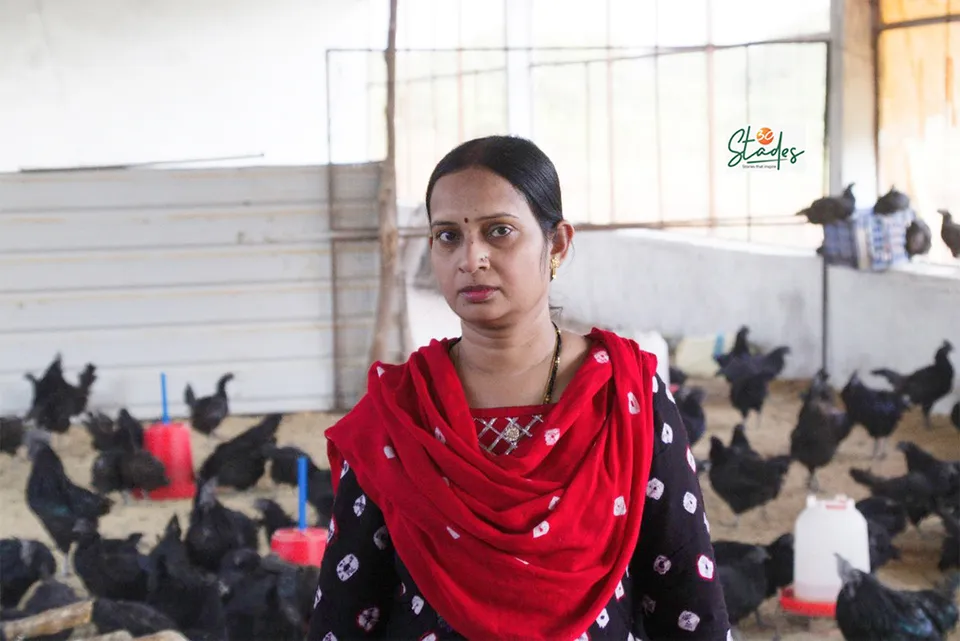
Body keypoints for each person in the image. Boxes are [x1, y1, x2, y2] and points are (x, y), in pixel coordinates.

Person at [307, 135, 731, 641]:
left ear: (556, 244)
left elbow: (685, 593)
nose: (471, 257)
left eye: (499, 231)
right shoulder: (401, 413)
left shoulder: (623, 396)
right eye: (448, 236)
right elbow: (347, 612)